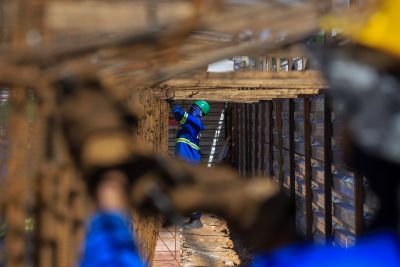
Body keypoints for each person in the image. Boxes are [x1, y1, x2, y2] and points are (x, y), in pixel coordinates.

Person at [168, 99, 210, 228]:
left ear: (200, 113)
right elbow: (180, 117)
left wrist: (173, 104)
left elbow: (180, 114)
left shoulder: (195, 122)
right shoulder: (191, 124)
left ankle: (196, 219)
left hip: (189, 161)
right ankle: (189, 216)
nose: (193, 109)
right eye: (193, 107)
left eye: (195, 108)